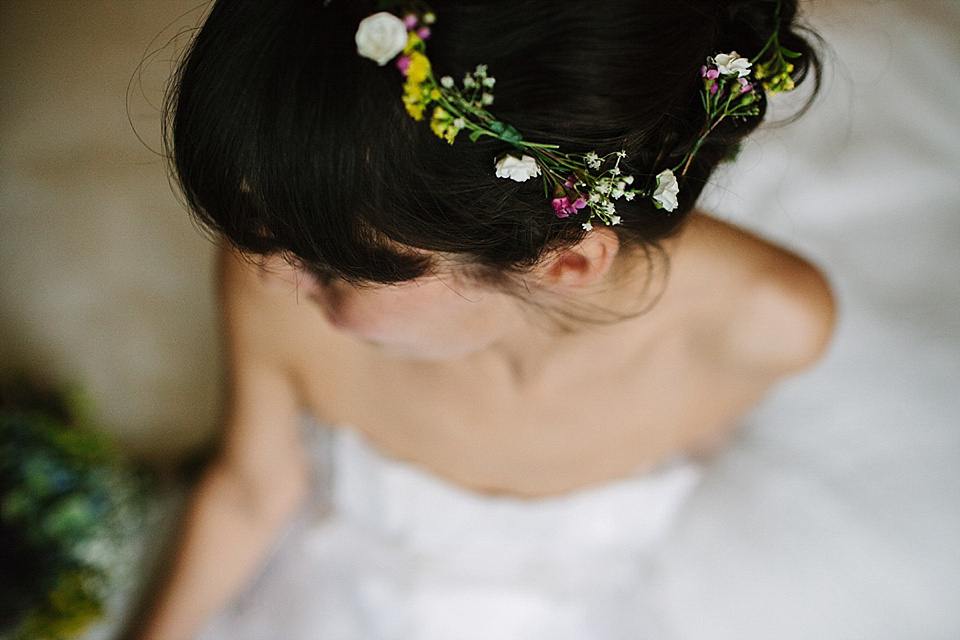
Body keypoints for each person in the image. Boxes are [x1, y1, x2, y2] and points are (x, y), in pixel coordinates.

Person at [138, 0, 832, 637]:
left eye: (331, 269)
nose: (276, 272)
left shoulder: (766, 326)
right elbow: (253, 489)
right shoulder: (272, 275)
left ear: (564, 265)